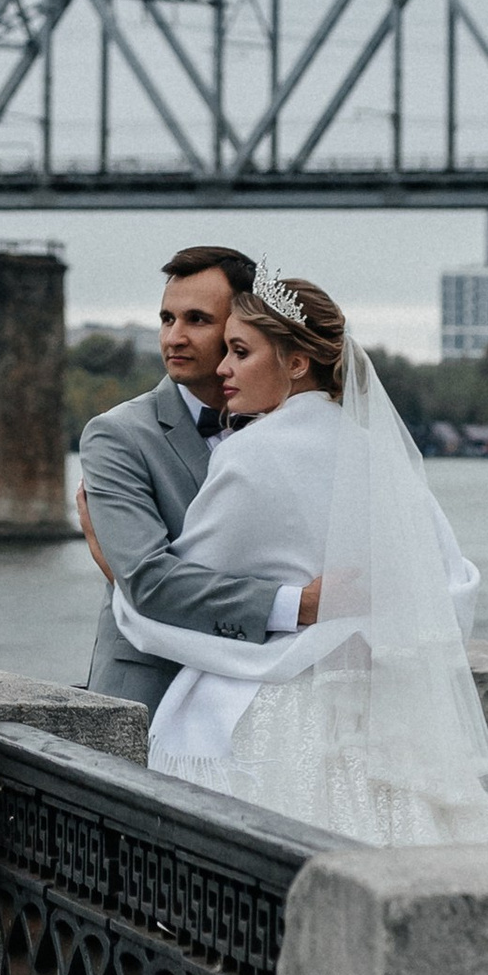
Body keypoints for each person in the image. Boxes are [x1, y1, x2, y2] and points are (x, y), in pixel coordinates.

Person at [103, 259, 488, 847]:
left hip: (270, 718)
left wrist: (101, 546)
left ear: (294, 363)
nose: (222, 367)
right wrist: (356, 619)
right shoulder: (378, 454)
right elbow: (449, 585)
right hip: (378, 719)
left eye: (239, 352)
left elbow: (164, 596)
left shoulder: (251, 453)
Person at [78, 245, 326, 707]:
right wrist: (298, 605)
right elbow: (148, 581)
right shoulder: (117, 436)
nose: (174, 338)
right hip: (151, 691)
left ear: (241, 325)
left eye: (197, 320)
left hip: (275, 697)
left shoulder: (303, 432)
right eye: (166, 319)